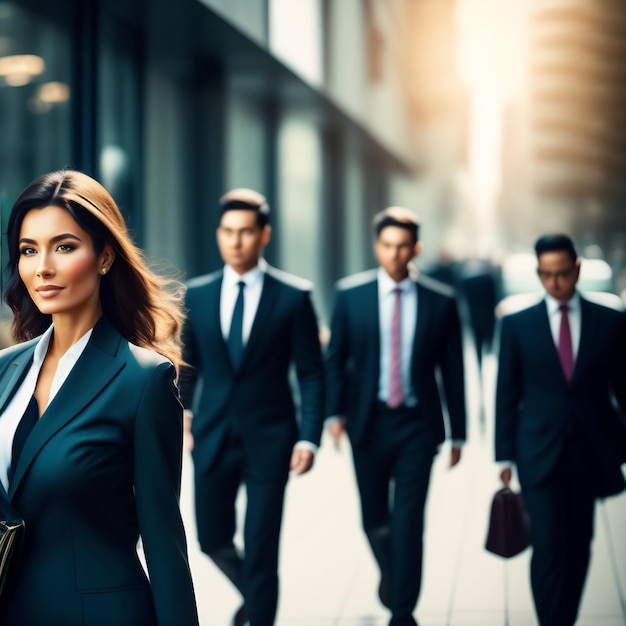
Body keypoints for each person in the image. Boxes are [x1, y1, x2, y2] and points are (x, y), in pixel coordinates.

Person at [0, 170, 199, 625]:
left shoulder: (144, 381)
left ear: (105, 256)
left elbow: (165, 545)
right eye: (29, 250)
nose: (42, 267)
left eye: (64, 247)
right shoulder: (3, 370)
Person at [180, 188, 325, 626]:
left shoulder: (294, 296)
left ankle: (259, 613)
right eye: (227, 232)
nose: (235, 241)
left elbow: (312, 373)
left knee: (262, 547)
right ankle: (257, 599)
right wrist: (184, 419)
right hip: (213, 436)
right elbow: (189, 368)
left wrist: (309, 437)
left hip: (272, 439)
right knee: (211, 538)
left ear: (265, 235)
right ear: (218, 235)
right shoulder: (197, 295)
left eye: (245, 232)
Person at [324, 206, 466, 626]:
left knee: (408, 520)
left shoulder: (441, 302)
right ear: (376, 246)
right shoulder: (351, 296)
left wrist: (458, 434)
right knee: (374, 519)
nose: (395, 254)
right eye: (387, 246)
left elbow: (453, 371)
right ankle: (394, 575)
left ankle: (402, 609)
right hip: (367, 423)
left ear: (416, 248)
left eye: (404, 246)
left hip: (417, 426)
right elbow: (336, 360)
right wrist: (334, 413)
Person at [495, 234, 626, 626]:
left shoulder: (611, 321)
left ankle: (564, 618)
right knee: (548, 546)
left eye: (562, 273)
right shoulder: (517, 324)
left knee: (579, 544)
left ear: (577, 270)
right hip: (537, 453)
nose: (554, 282)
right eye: (546, 274)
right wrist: (503, 455)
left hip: (589, 453)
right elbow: (506, 392)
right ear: (538, 272)